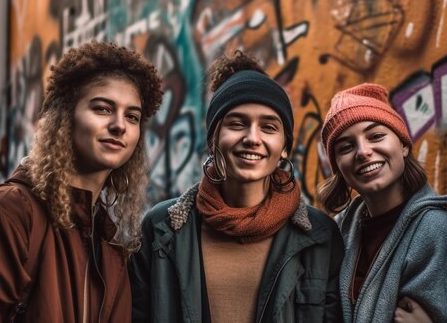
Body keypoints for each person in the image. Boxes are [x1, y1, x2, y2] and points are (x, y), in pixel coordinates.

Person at [129, 50, 344, 322]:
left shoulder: (319, 236)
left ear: (285, 148)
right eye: (237, 123)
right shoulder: (161, 229)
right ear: (214, 139)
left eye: (268, 127)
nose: (252, 138)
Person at [0, 41, 164, 322]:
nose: (119, 125)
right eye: (102, 108)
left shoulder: (111, 244)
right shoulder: (10, 213)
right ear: (65, 117)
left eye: (132, 116)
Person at [318, 83, 447, 323]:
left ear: (404, 145)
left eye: (376, 136)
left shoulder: (436, 232)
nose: (363, 152)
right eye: (346, 147)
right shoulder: (338, 232)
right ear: (338, 167)